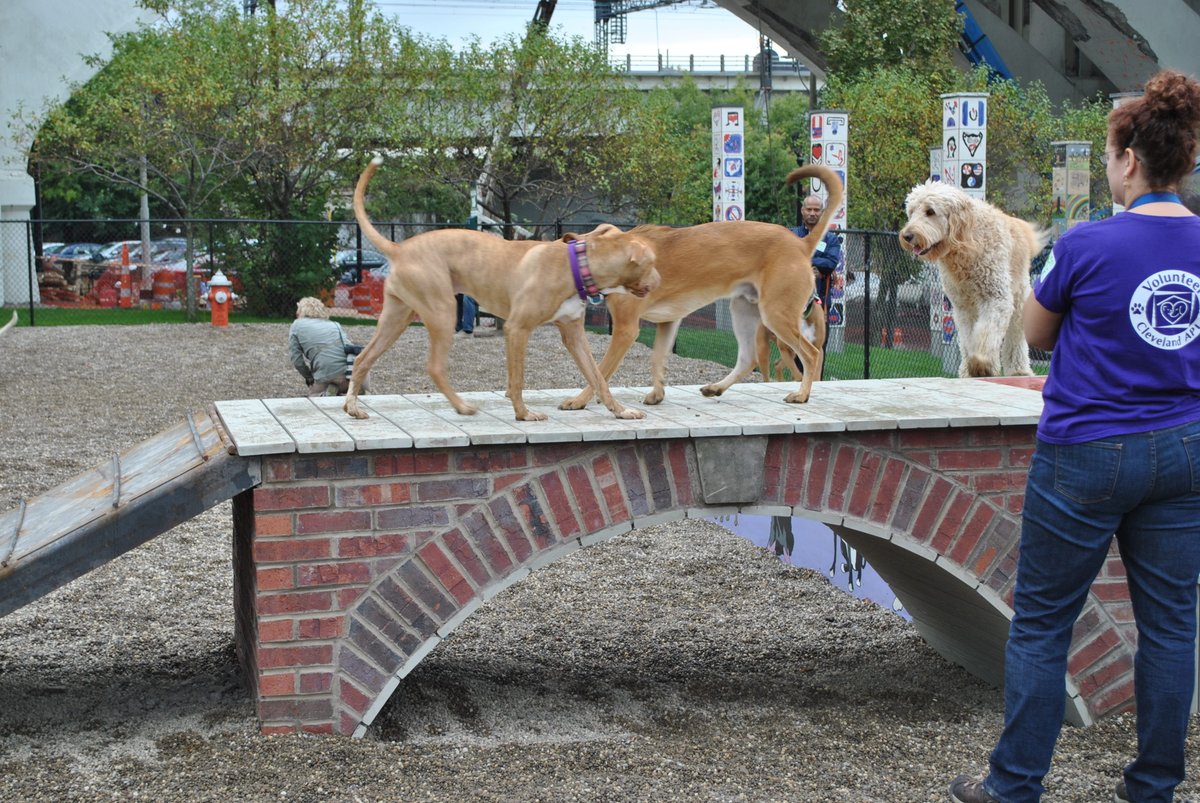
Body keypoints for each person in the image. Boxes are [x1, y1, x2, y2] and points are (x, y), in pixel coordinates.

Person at [949, 69, 1200, 803]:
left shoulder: (1089, 244)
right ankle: (1153, 786)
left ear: (1127, 160)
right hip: (1185, 448)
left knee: (1041, 624)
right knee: (1171, 624)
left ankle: (1015, 784)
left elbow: (1033, 332)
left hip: (1087, 451)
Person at [287, 297, 364, 396]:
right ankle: (349, 390)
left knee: (312, 397)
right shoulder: (334, 324)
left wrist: (309, 377)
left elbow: (297, 360)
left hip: (326, 374)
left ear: (300, 310)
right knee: (345, 387)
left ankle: (324, 394)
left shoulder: (296, 325)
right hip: (349, 374)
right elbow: (348, 346)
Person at [792, 194, 842, 311]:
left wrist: (805, 260)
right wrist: (811, 267)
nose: (812, 213)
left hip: (820, 299)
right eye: (809, 209)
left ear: (822, 212)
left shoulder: (831, 239)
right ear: (802, 210)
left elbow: (831, 262)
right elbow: (787, 261)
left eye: (816, 210)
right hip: (794, 299)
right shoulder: (792, 236)